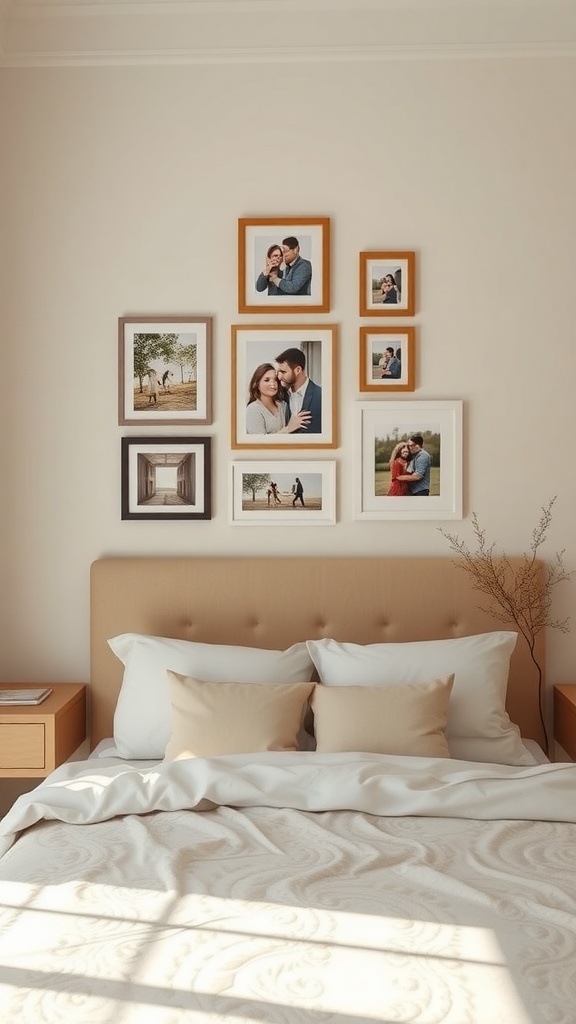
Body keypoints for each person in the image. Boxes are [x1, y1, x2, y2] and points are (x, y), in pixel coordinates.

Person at [245, 363, 311, 435]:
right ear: (256, 384)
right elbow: (260, 444)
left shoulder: (283, 405)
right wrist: (288, 429)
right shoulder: (253, 410)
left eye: (275, 380)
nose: (273, 384)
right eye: (267, 380)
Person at [275, 347, 322, 434]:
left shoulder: (321, 396)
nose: (279, 377)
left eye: (283, 372)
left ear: (298, 370)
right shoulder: (279, 395)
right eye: (278, 372)